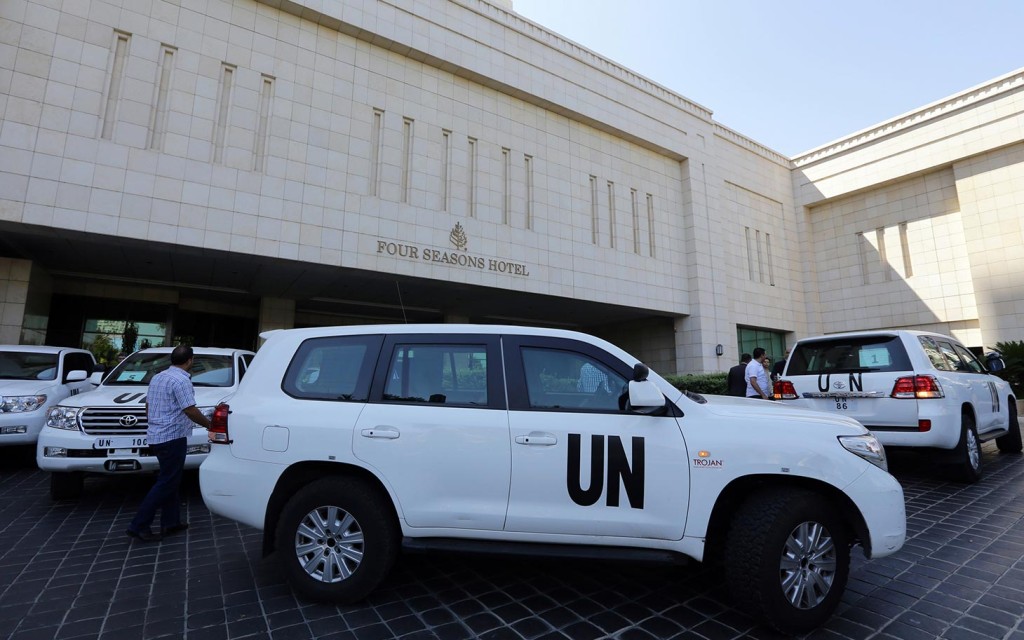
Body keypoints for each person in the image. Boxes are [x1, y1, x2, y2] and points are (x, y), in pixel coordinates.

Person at [126, 345, 212, 543]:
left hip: (157, 435)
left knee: (171, 479)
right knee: (166, 482)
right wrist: (209, 425)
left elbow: (148, 405)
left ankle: (171, 522)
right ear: (190, 360)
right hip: (172, 437)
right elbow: (190, 409)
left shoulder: (158, 377)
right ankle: (139, 525)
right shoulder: (181, 380)